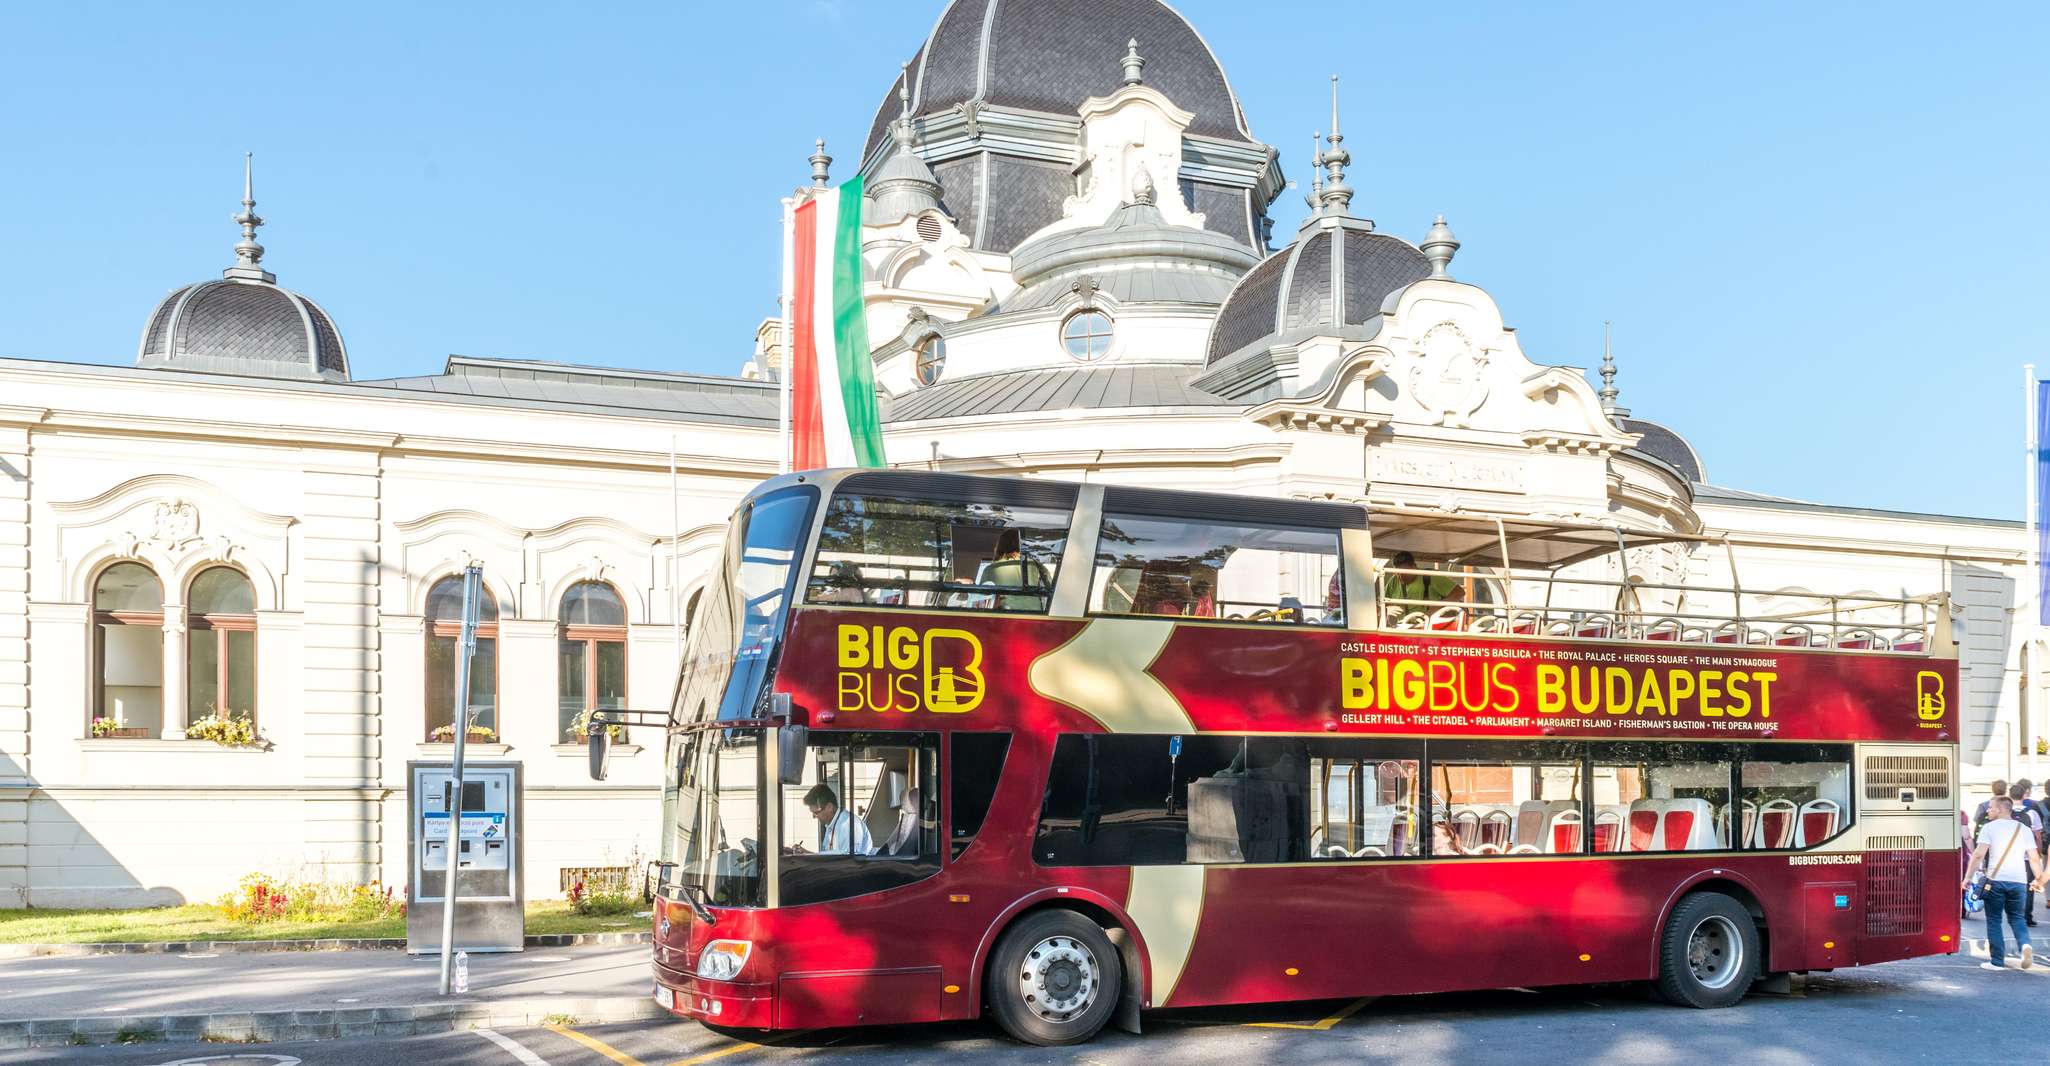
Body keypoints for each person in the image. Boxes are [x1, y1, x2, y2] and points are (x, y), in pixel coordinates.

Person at [1969, 796, 2041, 969]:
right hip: (2019, 881)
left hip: (1996, 880)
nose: (1988, 810)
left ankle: (1997, 961)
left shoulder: (1989, 828)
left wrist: (1967, 877)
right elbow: (2033, 857)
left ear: (2000, 809)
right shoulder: (2024, 829)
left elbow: (1978, 854)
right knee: (2017, 918)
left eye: (1991, 807)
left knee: (1994, 920)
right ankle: (2025, 945)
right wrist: (2038, 879)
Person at [796, 784, 874, 856]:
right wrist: (805, 854)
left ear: (829, 807)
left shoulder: (848, 824)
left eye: (816, 812)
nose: (814, 816)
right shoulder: (832, 824)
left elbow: (846, 861)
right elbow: (830, 859)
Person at [2014, 782, 2046, 925]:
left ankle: (2014, 915)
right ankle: (2026, 916)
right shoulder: (2031, 813)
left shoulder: (2006, 813)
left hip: (2010, 858)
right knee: (2028, 887)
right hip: (2027, 856)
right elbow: (2038, 836)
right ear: (2024, 795)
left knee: (2012, 887)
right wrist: (2038, 853)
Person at [881, 787, 922, 857]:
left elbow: (907, 849)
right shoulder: (905, 817)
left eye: (904, 801)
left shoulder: (918, 821)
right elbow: (890, 841)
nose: (902, 804)